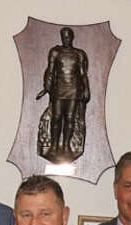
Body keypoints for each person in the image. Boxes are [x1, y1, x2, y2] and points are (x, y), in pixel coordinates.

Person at [36, 26, 89, 162]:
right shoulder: (55, 52)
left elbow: (83, 74)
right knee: (57, 117)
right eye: (63, 37)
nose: (66, 39)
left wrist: (86, 89)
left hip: (73, 90)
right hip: (58, 90)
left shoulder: (79, 54)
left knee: (70, 118)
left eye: (68, 37)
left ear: (72, 37)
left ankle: (66, 145)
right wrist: (46, 87)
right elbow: (50, 70)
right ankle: (54, 145)